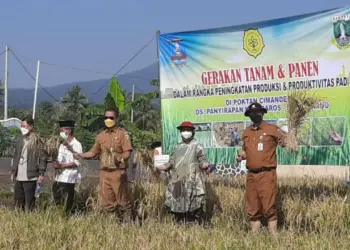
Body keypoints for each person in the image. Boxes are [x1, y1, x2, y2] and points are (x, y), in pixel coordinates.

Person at [73, 108, 134, 222]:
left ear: (117, 119)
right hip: (104, 173)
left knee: (123, 201)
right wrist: (81, 155)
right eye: (106, 117)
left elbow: (128, 152)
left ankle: (129, 225)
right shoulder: (100, 136)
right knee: (107, 202)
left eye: (111, 117)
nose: (108, 120)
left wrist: (120, 158)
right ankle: (113, 224)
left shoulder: (123, 134)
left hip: (117, 172)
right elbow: (93, 152)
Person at [237, 103, 285, 234]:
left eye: (257, 112)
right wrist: (242, 155)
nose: (255, 115)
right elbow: (246, 152)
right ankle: (254, 239)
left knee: (269, 207)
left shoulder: (272, 129)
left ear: (262, 113)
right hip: (251, 175)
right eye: (252, 113)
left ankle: (274, 239)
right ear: (249, 115)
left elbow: (285, 142)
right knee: (252, 207)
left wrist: (291, 135)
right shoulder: (246, 132)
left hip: (266, 174)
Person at [156, 121, 211, 226]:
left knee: (193, 203)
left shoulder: (197, 146)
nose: (186, 132)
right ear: (180, 132)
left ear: (192, 132)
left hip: (192, 179)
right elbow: (171, 162)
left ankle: (193, 224)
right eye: (183, 130)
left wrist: (205, 165)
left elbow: (202, 160)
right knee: (177, 202)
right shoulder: (176, 147)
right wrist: (163, 167)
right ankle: (179, 223)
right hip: (177, 180)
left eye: (188, 130)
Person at [11, 117, 48, 211]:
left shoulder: (37, 141)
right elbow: (16, 156)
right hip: (19, 174)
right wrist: (13, 172)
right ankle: (19, 218)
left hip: (30, 175)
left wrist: (41, 173)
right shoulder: (21, 140)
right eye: (21, 126)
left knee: (29, 200)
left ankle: (30, 218)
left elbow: (43, 158)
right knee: (18, 199)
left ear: (31, 127)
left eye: (24, 126)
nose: (22, 127)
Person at [52, 120, 83, 214]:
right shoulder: (61, 144)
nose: (60, 132)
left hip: (68, 178)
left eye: (62, 130)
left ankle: (66, 218)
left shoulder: (76, 144)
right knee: (57, 200)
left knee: (66, 202)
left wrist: (61, 165)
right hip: (58, 178)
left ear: (68, 131)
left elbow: (77, 162)